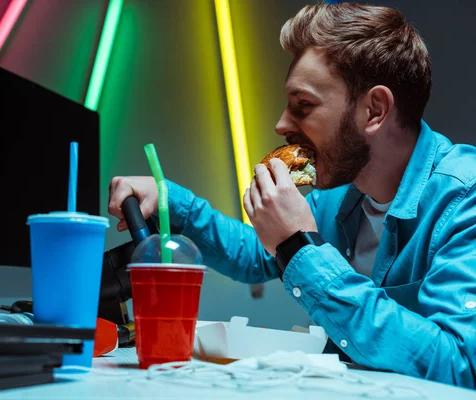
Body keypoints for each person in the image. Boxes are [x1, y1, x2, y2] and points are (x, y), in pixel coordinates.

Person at [108, 3, 476, 388]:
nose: (281, 124)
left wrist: (300, 247)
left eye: (304, 106)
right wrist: (169, 199)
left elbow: (460, 365)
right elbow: (255, 255)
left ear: (374, 111)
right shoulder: (340, 190)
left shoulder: (464, 198)